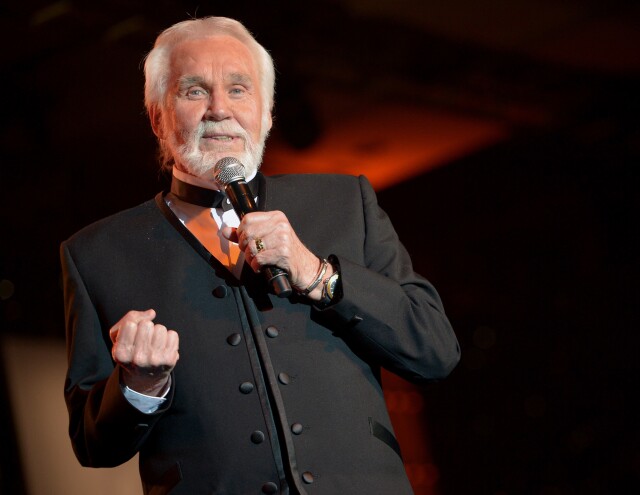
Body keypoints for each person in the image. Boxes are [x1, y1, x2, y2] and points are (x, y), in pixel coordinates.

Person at [61, 16, 460, 495]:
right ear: (157, 117)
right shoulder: (98, 253)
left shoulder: (344, 202)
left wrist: (319, 275)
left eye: (238, 89)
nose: (218, 110)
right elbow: (92, 446)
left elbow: (435, 350)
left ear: (267, 112)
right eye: (193, 92)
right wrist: (139, 385)